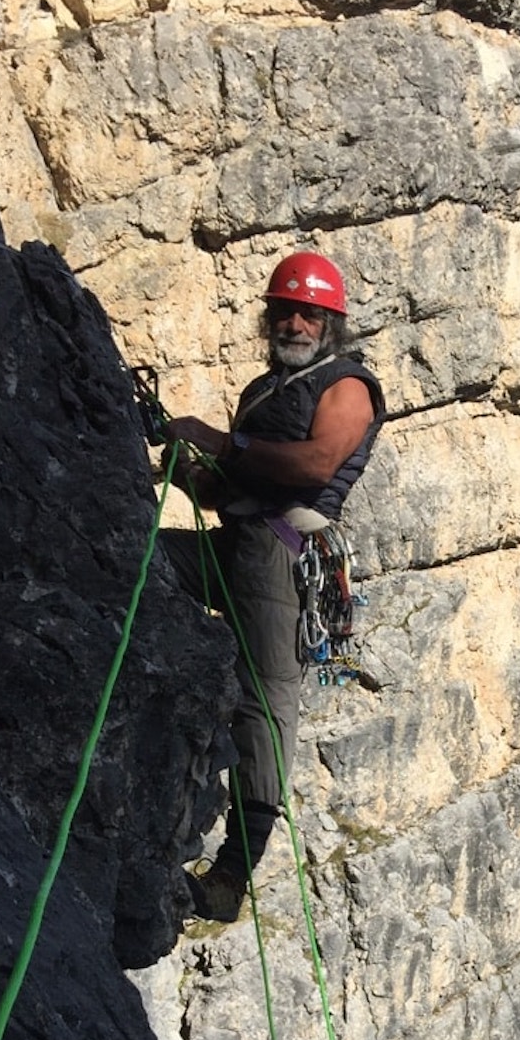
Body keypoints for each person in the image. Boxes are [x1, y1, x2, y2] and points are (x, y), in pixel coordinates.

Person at [164, 251, 386, 923]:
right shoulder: (263, 391)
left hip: (280, 555)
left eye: (309, 312)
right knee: (140, 565)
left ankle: (233, 874)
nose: (294, 321)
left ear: (332, 323)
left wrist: (221, 444)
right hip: (236, 541)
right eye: (285, 310)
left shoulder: (347, 386)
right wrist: (187, 470)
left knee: (265, 698)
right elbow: (230, 486)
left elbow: (318, 460)